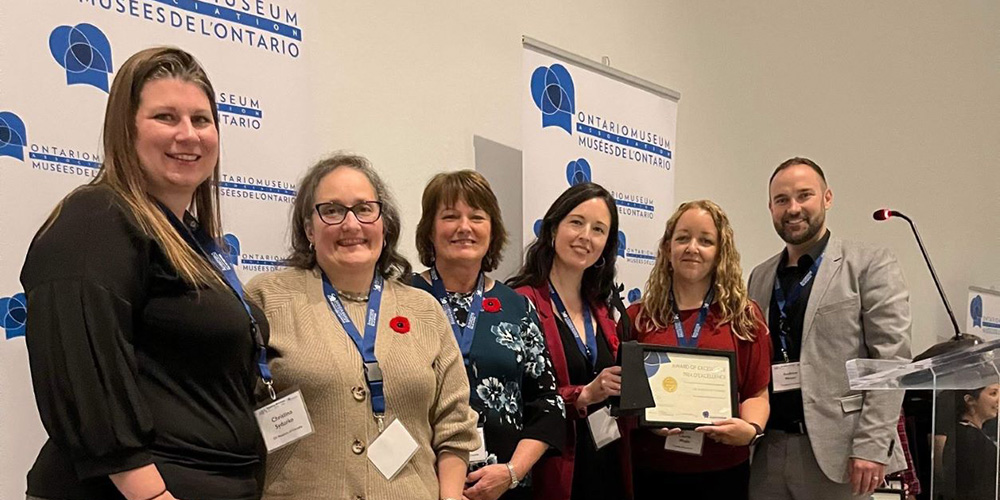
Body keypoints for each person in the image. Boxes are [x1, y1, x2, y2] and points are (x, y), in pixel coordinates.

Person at [21, 47, 269, 500]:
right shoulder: (98, 217)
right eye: (165, 117)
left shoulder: (193, 240)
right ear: (126, 128)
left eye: (201, 119)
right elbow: (83, 373)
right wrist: (151, 495)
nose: (188, 135)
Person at [245, 153, 479, 500]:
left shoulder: (424, 309)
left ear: (384, 224)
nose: (351, 225)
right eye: (333, 210)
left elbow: (454, 426)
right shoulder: (266, 299)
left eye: (364, 209)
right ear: (309, 228)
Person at [747, 157, 912, 500]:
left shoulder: (868, 263)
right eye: (781, 200)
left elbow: (891, 362)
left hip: (840, 452)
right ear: (770, 208)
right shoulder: (760, 277)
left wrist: (871, 445)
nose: (793, 208)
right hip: (767, 450)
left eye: (804, 195)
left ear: (827, 198)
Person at [410, 170, 566, 500]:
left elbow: (548, 405)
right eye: (450, 216)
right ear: (429, 230)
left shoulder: (518, 307)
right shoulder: (402, 300)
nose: (464, 227)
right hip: (417, 484)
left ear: (492, 230)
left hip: (502, 488)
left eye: (477, 217)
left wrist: (511, 473)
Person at [627, 200, 771, 500]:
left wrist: (750, 429)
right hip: (651, 471)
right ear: (668, 248)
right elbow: (624, 399)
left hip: (723, 473)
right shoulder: (638, 318)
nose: (692, 248)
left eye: (705, 241)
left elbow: (757, 393)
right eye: (683, 238)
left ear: (720, 253)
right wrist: (648, 420)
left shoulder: (744, 317)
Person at [507, 182, 631, 500]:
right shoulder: (521, 302)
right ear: (552, 229)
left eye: (598, 229)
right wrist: (584, 394)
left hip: (606, 459)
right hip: (553, 466)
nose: (585, 236)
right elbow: (517, 400)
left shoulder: (604, 308)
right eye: (576, 222)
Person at [942, 385, 1000, 500]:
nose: (999, 399)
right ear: (970, 400)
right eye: (993, 393)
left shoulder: (968, 433)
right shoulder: (968, 437)